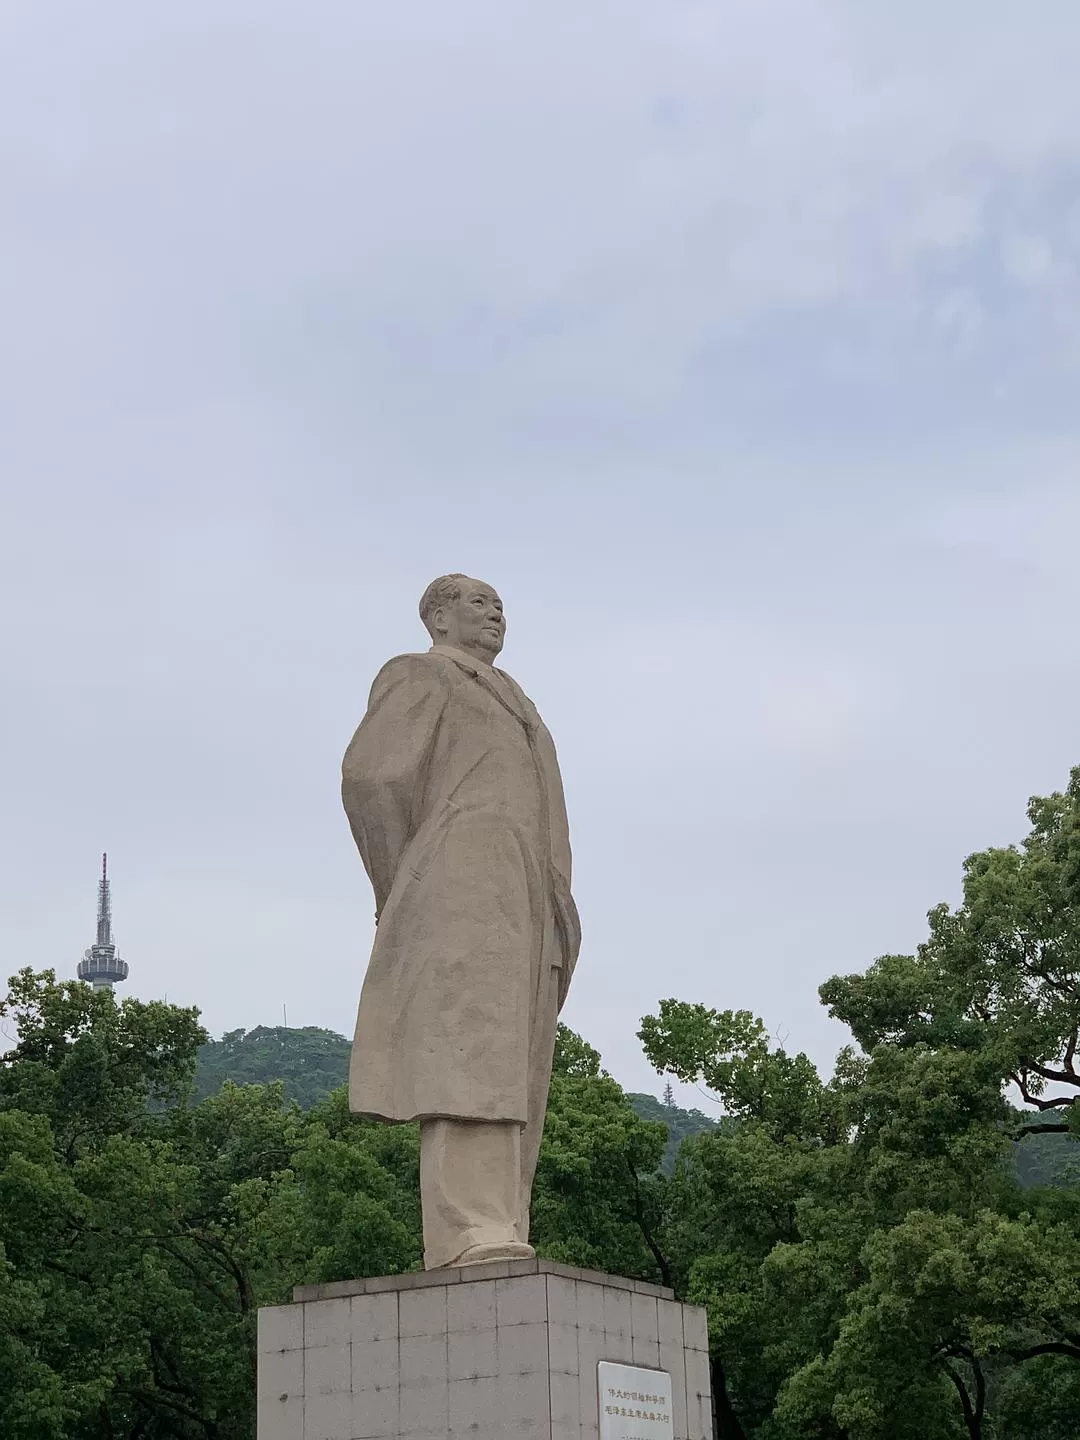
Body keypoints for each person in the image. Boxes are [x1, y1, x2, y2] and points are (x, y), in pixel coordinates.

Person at [342, 573, 581, 1269]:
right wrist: (408, 880)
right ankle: (465, 1227)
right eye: (479, 602)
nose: (496, 613)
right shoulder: (419, 675)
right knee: (465, 1050)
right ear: (438, 617)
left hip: (527, 893)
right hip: (459, 879)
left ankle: (505, 1216)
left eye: (500, 604)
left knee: (515, 1059)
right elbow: (372, 779)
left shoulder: (519, 701)